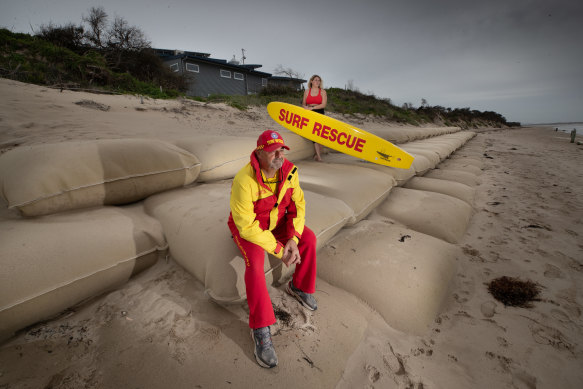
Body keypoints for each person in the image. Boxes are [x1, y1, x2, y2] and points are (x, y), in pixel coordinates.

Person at [228, 130, 318, 368]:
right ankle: (260, 328)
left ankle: (299, 286)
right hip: (250, 228)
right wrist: (281, 250)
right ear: (259, 152)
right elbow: (246, 227)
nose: (279, 156)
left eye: (281, 150)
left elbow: (298, 205)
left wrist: (293, 238)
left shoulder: (289, 172)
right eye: (273, 151)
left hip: (277, 223)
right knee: (255, 265)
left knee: (309, 238)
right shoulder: (243, 180)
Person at [302, 74, 328, 161]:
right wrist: (305, 107)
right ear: (312, 81)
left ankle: (318, 155)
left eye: (319, 80)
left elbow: (323, 104)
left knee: (318, 134)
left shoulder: (323, 92)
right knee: (313, 134)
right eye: (316, 80)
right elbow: (303, 103)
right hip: (309, 112)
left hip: (319, 112)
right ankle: (318, 156)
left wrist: (312, 108)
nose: (318, 82)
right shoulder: (306, 91)